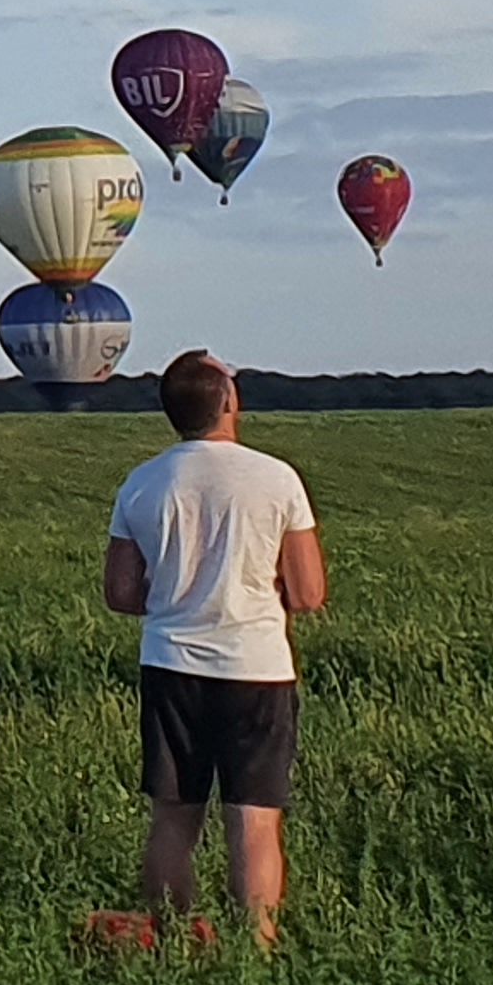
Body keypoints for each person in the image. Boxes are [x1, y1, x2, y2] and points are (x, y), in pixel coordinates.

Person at [105, 350, 326, 947]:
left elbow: (120, 593)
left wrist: (176, 595)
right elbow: (308, 593)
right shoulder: (277, 478)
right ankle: (256, 950)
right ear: (228, 401)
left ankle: (171, 943)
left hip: (170, 666)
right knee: (254, 821)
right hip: (257, 668)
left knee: (173, 816)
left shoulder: (142, 482)